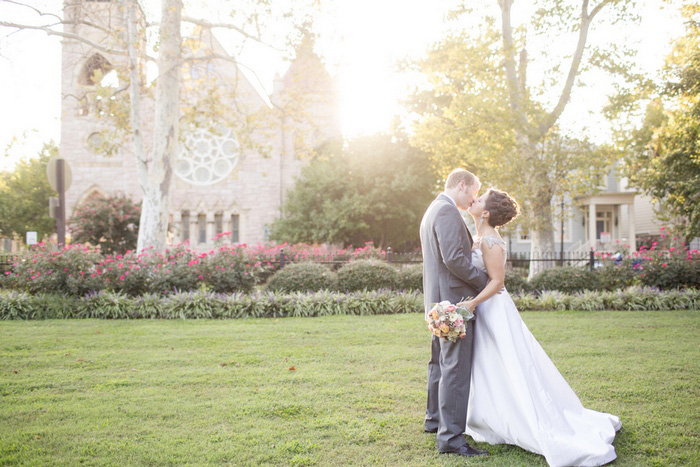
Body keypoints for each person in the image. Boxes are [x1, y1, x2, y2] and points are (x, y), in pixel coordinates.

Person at [460, 188, 622, 467]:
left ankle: (519, 418)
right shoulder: (478, 236)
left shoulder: (490, 241)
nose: (474, 199)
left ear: (485, 212)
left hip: (492, 309)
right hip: (485, 308)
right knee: (489, 365)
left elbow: (497, 282)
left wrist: (471, 304)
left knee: (508, 364)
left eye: (480, 198)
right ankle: (491, 415)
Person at [419, 168, 490, 457]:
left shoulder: (433, 208)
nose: (474, 198)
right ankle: (451, 440)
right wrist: (485, 282)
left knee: (439, 363)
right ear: (462, 185)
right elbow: (454, 259)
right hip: (453, 304)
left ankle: (434, 420)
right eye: (474, 191)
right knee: (455, 370)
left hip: (438, 302)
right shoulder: (446, 211)